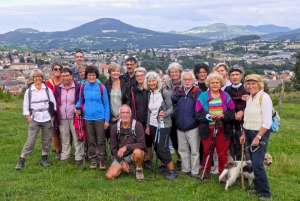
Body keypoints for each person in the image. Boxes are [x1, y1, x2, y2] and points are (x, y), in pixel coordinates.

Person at [195, 72, 235, 180]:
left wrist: (223, 115)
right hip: (207, 129)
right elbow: (198, 113)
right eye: (212, 82)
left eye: (217, 82)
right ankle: (205, 171)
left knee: (222, 153)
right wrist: (209, 116)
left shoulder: (226, 96)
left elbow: (232, 112)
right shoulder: (203, 96)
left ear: (221, 84)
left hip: (222, 128)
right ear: (209, 84)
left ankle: (223, 174)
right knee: (207, 152)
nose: (215, 84)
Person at [15, 69, 56, 170]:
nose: (38, 78)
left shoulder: (47, 89)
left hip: (47, 118)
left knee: (47, 139)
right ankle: (22, 159)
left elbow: (53, 103)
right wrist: (29, 119)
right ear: (32, 79)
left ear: (42, 78)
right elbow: (25, 106)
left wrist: (52, 117)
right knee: (31, 140)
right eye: (35, 76)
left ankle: (44, 158)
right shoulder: (29, 91)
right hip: (35, 118)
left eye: (40, 76)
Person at [240, 74, 272, 200]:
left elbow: (267, 122)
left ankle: (266, 193)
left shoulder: (264, 98)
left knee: (258, 164)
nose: (250, 86)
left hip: (258, 134)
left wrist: (258, 137)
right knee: (254, 162)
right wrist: (243, 133)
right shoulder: (250, 98)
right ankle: (258, 188)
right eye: (248, 83)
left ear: (260, 84)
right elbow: (246, 118)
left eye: (253, 83)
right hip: (248, 132)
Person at [75, 65, 110, 170]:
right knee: (90, 140)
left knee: (101, 140)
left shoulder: (101, 87)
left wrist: (107, 120)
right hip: (87, 117)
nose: (91, 77)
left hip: (100, 117)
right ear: (86, 76)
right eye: (89, 75)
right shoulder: (83, 87)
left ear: (96, 75)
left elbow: (106, 104)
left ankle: (102, 159)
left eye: (93, 75)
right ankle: (93, 159)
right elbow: (80, 101)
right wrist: (76, 107)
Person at [144, 71, 177, 180]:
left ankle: (172, 171)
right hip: (153, 124)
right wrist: (148, 125)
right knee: (157, 147)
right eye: (149, 81)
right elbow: (149, 111)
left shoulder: (164, 92)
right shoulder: (150, 93)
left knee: (162, 148)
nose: (151, 83)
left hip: (164, 125)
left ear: (157, 81)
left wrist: (165, 113)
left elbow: (171, 108)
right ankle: (164, 166)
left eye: (153, 81)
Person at [171, 71, 202, 177]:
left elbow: (201, 107)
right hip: (180, 126)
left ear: (193, 81)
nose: (187, 81)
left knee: (194, 150)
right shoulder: (179, 91)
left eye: (189, 79)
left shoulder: (198, 91)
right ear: (182, 80)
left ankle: (194, 171)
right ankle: (185, 169)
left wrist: (195, 120)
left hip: (192, 126)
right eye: (185, 79)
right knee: (182, 149)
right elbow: (172, 100)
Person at [106, 105, 146, 181]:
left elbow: (142, 144)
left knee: (138, 152)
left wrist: (126, 147)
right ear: (119, 115)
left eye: (127, 113)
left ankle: (139, 170)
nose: (125, 115)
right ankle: (129, 166)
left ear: (130, 115)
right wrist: (122, 162)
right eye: (123, 113)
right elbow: (113, 148)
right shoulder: (115, 128)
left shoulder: (138, 125)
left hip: (133, 153)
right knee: (109, 176)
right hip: (122, 156)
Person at [54, 68, 82, 165]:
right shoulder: (57, 88)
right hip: (62, 117)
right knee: (65, 137)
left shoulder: (78, 87)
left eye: (67, 75)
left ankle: (79, 156)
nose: (65, 78)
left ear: (71, 76)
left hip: (74, 117)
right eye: (63, 76)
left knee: (77, 137)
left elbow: (81, 100)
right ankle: (65, 155)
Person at [225, 66, 250, 161]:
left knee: (245, 145)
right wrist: (233, 113)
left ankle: (247, 169)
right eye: (232, 75)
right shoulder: (227, 89)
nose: (234, 77)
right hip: (231, 121)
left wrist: (242, 111)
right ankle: (237, 167)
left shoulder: (247, 88)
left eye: (237, 74)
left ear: (241, 76)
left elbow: (253, 103)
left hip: (245, 122)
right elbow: (225, 103)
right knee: (233, 145)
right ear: (229, 77)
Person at [103, 63, 130, 148]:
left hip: (123, 115)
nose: (116, 73)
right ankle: (114, 157)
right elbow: (105, 102)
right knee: (113, 137)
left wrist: (122, 114)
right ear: (110, 72)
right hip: (111, 116)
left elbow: (128, 100)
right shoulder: (105, 85)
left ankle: (124, 156)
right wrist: (111, 116)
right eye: (113, 71)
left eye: (118, 71)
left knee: (124, 137)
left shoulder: (125, 84)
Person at [130, 67, 151, 169]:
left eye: (142, 75)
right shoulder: (133, 90)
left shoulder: (150, 89)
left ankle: (148, 160)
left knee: (148, 141)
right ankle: (138, 159)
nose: (140, 77)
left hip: (148, 119)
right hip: (137, 119)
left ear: (145, 76)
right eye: (137, 76)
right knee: (137, 140)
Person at [165, 62, 183, 169]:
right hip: (169, 115)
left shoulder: (184, 84)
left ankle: (181, 158)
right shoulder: (166, 84)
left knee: (179, 138)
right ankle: (173, 159)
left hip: (180, 114)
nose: (174, 74)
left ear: (180, 72)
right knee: (172, 138)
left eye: (176, 72)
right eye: (172, 72)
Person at [193, 63, 209, 166]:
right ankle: (199, 162)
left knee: (206, 139)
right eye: (200, 72)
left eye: (204, 72)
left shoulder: (210, 84)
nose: (202, 74)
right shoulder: (194, 86)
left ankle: (207, 162)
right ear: (196, 74)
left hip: (208, 115)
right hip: (197, 115)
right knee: (197, 141)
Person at [45, 61, 63, 159]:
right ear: (52, 71)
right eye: (55, 69)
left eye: (60, 69)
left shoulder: (65, 82)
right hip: (52, 110)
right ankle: (57, 151)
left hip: (63, 109)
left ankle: (65, 149)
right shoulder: (48, 83)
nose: (58, 71)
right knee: (54, 131)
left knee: (65, 131)